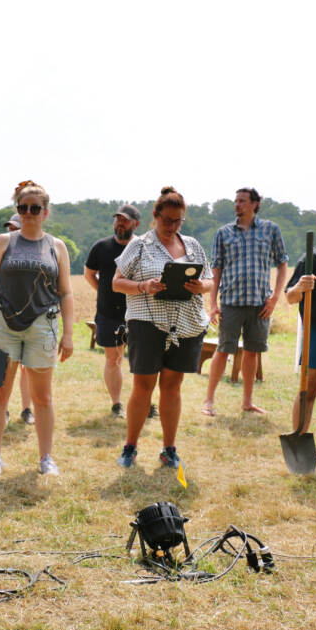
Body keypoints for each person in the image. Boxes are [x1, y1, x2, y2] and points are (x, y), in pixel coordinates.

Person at [0, 180, 75, 476]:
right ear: (17, 210)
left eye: (35, 208)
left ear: (45, 212)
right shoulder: (3, 242)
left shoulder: (56, 247)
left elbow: (66, 292)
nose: (28, 213)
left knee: (42, 397)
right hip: (3, 326)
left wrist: (68, 333)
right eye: (23, 208)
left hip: (42, 327)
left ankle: (46, 459)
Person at [112, 187, 214, 470]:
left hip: (186, 325)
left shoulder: (193, 245)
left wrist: (200, 286)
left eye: (178, 221)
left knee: (172, 387)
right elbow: (116, 282)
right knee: (143, 387)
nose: (172, 226)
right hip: (147, 322)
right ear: (155, 216)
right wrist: (145, 286)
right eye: (168, 220)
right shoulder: (140, 245)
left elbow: (209, 280)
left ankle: (169, 449)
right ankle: (130, 447)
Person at [201, 187, 287, 416]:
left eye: (242, 201)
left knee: (251, 352)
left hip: (261, 303)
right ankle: (208, 401)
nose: (237, 204)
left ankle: (247, 402)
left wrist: (275, 297)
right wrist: (213, 304)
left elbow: (282, 264)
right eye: (236, 201)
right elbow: (216, 269)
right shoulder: (224, 233)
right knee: (223, 349)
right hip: (231, 301)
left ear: (255, 204)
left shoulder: (271, 230)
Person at [84, 204, 142, 418]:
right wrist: (103, 291)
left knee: (141, 361)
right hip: (108, 312)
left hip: (138, 311)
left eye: (125, 220)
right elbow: (89, 274)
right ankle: (117, 403)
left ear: (135, 224)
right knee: (113, 359)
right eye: (118, 219)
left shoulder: (142, 247)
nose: (120, 223)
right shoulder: (101, 247)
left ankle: (143, 402)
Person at [284, 209, 316, 464]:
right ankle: (299, 445)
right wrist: (301, 287)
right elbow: (290, 297)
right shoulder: (313, 258)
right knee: (310, 391)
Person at [3, 213, 34, 426]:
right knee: (4, 366)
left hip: (31, 317)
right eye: (10, 229)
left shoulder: (38, 252)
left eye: (16, 229)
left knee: (28, 368)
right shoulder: (1, 250)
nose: (11, 233)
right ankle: (2, 408)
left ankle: (26, 409)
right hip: (5, 316)